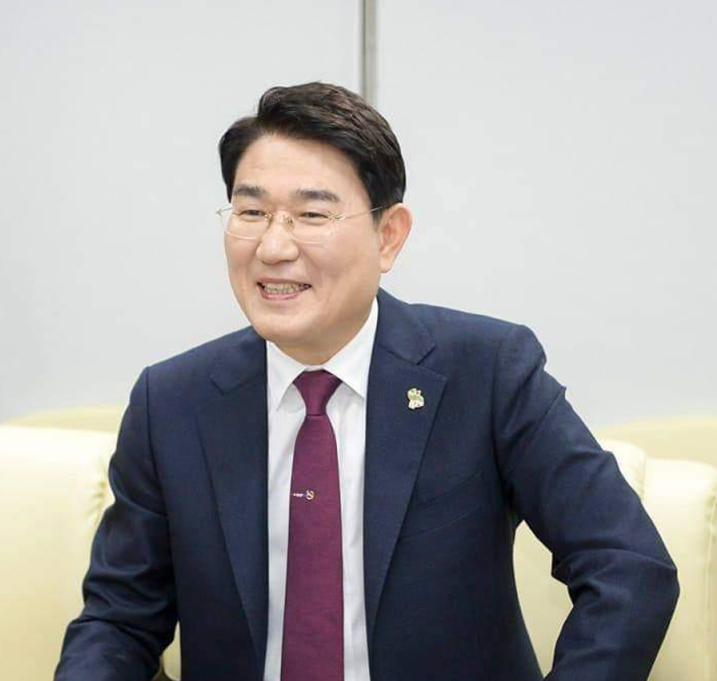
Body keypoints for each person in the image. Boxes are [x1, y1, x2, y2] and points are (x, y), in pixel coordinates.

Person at [54, 82, 679, 681]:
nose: (273, 246)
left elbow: (629, 567)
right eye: (251, 212)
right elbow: (119, 621)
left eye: (311, 214)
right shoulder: (172, 402)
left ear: (388, 236)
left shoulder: (487, 373)